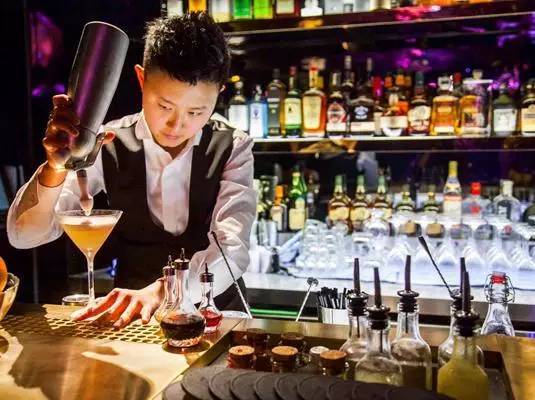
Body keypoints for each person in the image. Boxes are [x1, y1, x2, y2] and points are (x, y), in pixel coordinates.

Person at [7, 12, 256, 328]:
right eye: (164, 106)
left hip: (214, 318)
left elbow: (232, 249)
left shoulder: (233, 145)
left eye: (196, 111)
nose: (177, 125)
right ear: (141, 79)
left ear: (219, 92)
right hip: (133, 320)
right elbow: (24, 235)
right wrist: (54, 167)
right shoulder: (106, 141)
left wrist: (166, 291)